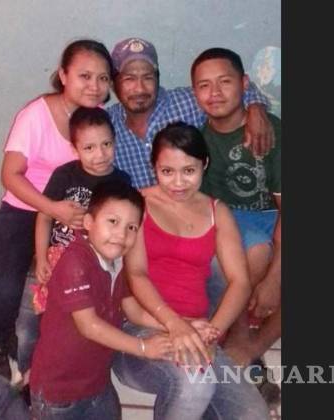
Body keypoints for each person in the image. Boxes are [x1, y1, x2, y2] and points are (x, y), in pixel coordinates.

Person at [0, 180, 175, 420]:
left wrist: (178, 325)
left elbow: (134, 312)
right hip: (59, 392)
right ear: (88, 222)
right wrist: (144, 347)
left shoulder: (117, 262)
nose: (121, 234)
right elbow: (89, 326)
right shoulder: (75, 263)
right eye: (113, 221)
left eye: (131, 227)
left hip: (96, 383)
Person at [0, 39, 114, 388]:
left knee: (78, 283)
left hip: (75, 217)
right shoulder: (36, 115)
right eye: (85, 76)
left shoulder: (100, 118)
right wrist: (52, 208)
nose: (95, 86)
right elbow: (10, 175)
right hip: (26, 209)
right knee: (9, 281)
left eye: (103, 78)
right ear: (63, 75)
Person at [112, 122, 270, 420]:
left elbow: (239, 281)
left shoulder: (216, 211)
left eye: (189, 171)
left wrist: (211, 333)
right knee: (196, 384)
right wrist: (175, 324)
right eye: (167, 171)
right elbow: (137, 274)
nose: (178, 183)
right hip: (142, 329)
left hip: (199, 332)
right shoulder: (137, 204)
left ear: (204, 164)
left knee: (253, 415)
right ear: (154, 168)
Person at [16, 106, 132, 387]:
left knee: (74, 325)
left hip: (91, 266)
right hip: (54, 258)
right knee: (28, 324)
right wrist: (41, 258)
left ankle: (77, 369)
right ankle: (29, 376)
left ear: (115, 141)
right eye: (89, 147)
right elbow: (45, 217)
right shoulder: (64, 175)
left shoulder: (121, 181)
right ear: (75, 148)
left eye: (106, 144)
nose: (100, 154)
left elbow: (123, 230)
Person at [191, 47, 281, 395]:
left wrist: (274, 278)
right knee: (253, 253)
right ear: (194, 93)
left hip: (274, 214)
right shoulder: (201, 142)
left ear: (244, 84)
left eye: (224, 82)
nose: (214, 93)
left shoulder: (270, 132)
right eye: (204, 85)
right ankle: (240, 341)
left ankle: (250, 348)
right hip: (234, 218)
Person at [107, 37, 275, 189]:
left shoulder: (186, 102)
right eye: (129, 79)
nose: (140, 88)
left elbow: (234, 89)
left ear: (157, 79)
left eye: (148, 77)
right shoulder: (107, 124)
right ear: (114, 85)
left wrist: (256, 108)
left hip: (198, 208)